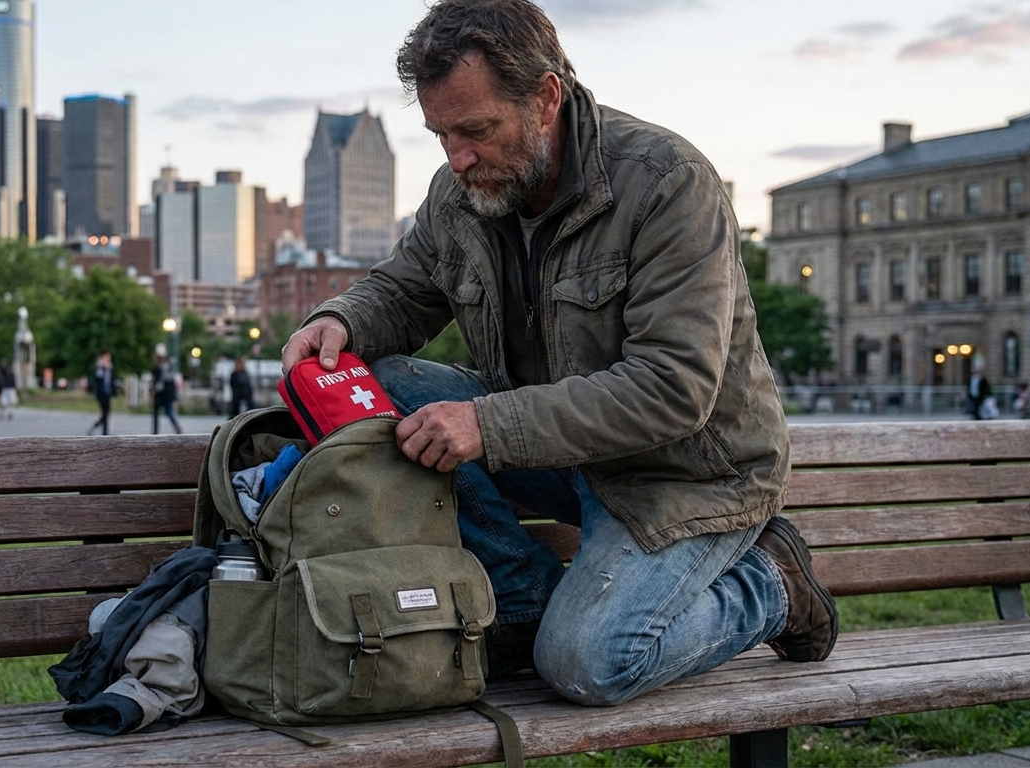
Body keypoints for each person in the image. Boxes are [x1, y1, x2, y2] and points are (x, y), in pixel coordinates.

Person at [281, 0, 835, 707]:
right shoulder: (461, 191)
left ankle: (774, 585)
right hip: (558, 454)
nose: (457, 158)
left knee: (588, 663)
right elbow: (404, 288)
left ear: (546, 98)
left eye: (476, 129)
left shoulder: (666, 182)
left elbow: (673, 388)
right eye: (440, 134)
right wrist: (339, 322)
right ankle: (523, 600)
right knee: (381, 385)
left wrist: (489, 424)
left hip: (686, 476)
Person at [150, 352, 182, 435]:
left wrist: (152, 393)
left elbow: (154, 382)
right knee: (169, 412)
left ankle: (155, 431)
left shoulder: (158, 369)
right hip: (168, 395)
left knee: (157, 413)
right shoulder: (169, 369)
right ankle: (176, 426)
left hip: (160, 394)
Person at [89, 350, 117, 436]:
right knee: (105, 412)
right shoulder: (100, 367)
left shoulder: (110, 367)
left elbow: (111, 380)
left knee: (107, 412)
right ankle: (100, 428)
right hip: (101, 393)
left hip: (107, 392)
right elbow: (98, 378)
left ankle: (104, 430)